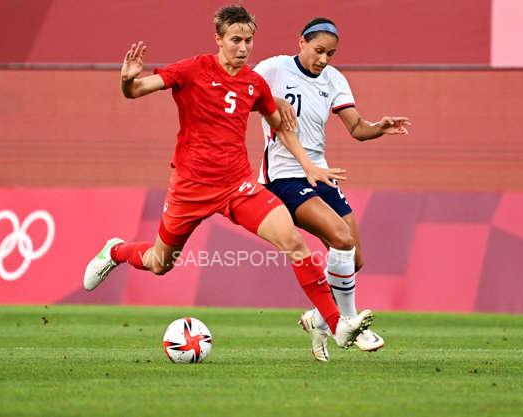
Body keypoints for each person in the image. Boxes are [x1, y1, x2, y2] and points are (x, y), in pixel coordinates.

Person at [83, 5, 374, 352]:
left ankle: (336, 324)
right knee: (159, 263)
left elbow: (280, 125)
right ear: (218, 40)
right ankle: (116, 251)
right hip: (190, 189)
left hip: (238, 186)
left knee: (294, 243)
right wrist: (127, 80)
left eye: (249, 40)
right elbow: (137, 91)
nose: (243, 47)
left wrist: (308, 165)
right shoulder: (193, 69)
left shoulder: (254, 83)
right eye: (236, 40)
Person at [254, 17, 411, 361]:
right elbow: (244, 90)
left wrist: (378, 127)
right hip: (284, 176)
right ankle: (350, 322)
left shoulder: (334, 79)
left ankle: (319, 320)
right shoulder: (274, 69)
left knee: (354, 258)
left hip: (321, 174)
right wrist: (269, 103)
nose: (323, 59)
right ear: (301, 42)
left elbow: (356, 127)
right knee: (340, 238)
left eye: (331, 53)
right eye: (319, 50)